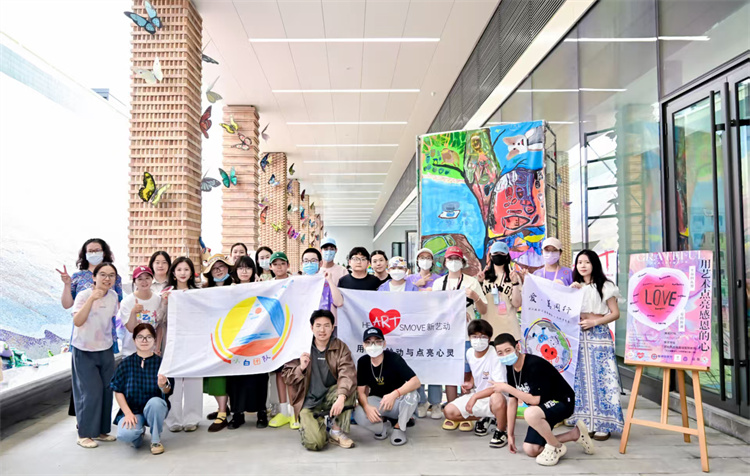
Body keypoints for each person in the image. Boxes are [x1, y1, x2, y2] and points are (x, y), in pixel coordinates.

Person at [493, 333, 593, 466]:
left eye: (508, 350)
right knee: (531, 449)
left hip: (561, 401)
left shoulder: (534, 365)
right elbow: (512, 401)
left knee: (530, 413)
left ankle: (557, 447)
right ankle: (575, 434)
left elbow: (534, 400)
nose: (505, 355)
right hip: (542, 408)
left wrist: (507, 388)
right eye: (500, 353)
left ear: (517, 347)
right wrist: (510, 434)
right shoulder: (510, 367)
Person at [58, 238, 124, 417]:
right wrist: (67, 284)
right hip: (83, 335)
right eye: (91, 250)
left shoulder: (114, 277)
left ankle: (99, 422)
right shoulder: (77, 277)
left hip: (105, 335)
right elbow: (67, 304)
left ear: (105, 252)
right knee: (85, 383)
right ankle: (84, 421)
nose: (94, 253)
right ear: (84, 254)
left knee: (103, 382)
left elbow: (117, 304)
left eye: (98, 250)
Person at [282, 310, 357, 451]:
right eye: (318, 325)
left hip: (330, 396)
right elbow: (287, 377)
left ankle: (336, 431)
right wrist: (301, 368)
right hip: (308, 402)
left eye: (326, 325)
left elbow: (348, 374)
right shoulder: (301, 346)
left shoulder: (340, 347)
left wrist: (341, 397)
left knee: (348, 389)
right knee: (315, 444)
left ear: (333, 327)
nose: (322, 330)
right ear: (312, 328)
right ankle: (316, 427)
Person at [569, 250, 624, 441]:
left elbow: (615, 313)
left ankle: (604, 424)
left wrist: (595, 322)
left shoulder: (606, 286)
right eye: (579, 262)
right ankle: (586, 423)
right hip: (579, 336)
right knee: (582, 380)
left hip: (599, 335)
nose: (582, 266)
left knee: (603, 378)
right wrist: (571, 293)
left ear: (594, 264)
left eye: (587, 262)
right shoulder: (575, 287)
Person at [431, 246, 487, 429]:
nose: (453, 262)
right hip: (446, 335)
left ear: (462, 262)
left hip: (466, 336)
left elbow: (484, 310)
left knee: (466, 374)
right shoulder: (439, 284)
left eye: (456, 259)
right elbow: (433, 310)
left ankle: (467, 412)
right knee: (450, 374)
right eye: (450, 259)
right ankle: (452, 411)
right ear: (445, 262)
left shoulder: (471, 282)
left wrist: (475, 297)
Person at [70, 262, 119, 448]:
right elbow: (78, 321)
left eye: (111, 275)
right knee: (90, 392)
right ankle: (84, 434)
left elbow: (112, 320)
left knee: (107, 390)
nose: (107, 278)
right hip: (84, 350)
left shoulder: (113, 296)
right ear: (94, 277)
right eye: (103, 274)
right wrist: (91, 299)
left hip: (105, 348)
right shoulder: (83, 295)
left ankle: (101, 431)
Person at [443, 319, 508, 447]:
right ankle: (486, 417)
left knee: (497, 398)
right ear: (469, 338)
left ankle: (501, 431)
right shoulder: (469, 353)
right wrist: (470, 383)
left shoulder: (495, 355)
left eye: (483, 337)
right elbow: (477, 371)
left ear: (489, 338)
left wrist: (475, 397)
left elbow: (498, 386)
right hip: (479, 395)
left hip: (497, 396)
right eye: (475, 336)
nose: (478, 340)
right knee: (449, 411)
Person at [110, 323, 173, 455]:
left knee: (156, 402)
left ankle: (155, 440)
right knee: (125, 435)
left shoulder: (162, 363)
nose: (144, 340)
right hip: (133, 411)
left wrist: (163, 385)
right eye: (140, 337)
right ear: (134, 340)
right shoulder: (126, 363)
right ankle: (138, 434)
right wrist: (127, 413)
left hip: (154, 409)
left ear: (154, 340)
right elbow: (118, 390)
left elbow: (168, 391)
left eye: (149, 337)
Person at [353, 327, 421, 446]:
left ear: (384, 344)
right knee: (359, 413)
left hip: (398, 402)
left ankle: (399, 427)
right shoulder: (363, 362)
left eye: (377, 342)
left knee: (413, 395)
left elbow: (415, 382)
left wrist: (394, 394)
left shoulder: (394, 358)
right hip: (379, 403)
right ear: (363, 345)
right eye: (369, 342)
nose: (373, 346)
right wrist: (367, 407)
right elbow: (361, 391)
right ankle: (382, 425)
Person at [226, 255, 269, 430]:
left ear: (253, 270)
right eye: (240, 268)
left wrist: (262, 287)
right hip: (236, 340)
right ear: (235, 271)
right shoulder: (229, 290)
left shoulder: (262, 288)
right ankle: (237, 414)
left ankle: (261, 413)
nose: (244, 271)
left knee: (259, 376)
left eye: (248, 267)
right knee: (236, 377)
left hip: (258, 339)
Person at [163, 257, 202, 433]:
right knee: (174, 381)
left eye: (186, 269)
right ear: (173, 272)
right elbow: (160, 319)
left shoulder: (198, 293)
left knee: (194, 380)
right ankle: (173, 419)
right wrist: (164, 302)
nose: (183, 273)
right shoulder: (167, 293)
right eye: (179, 269)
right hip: (173, 342)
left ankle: (192, 418)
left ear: (191, 272)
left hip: (194, 341)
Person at [406, 248, 443, 418]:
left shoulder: (439, 280)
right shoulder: (409, 279)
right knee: (418, 364)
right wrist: (416, 286)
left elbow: (444, 300)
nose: (425, 260)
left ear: (433, 261)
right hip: (414, 327)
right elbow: (402, 300)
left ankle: (436, 403)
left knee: (434, 363)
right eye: (422, 257)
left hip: (434, 327)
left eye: (428, 257)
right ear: (417, 260)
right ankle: (421, 401)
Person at [202, 254, 235, 432]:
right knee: (214, 373)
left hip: (232, 337)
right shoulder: (205, 291)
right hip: (212, 338)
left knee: (224, 375)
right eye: (215, 268)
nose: (219, 270)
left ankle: (223, 412)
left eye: (221, 266)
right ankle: (222, 407)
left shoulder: (236, 288)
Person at [266, 251, 299, 429]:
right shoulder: (267, 286)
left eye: (282, 263)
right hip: (274, 335)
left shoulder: (295, 283)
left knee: (291, 372)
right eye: (275, 264)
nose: (279, 267)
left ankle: (294, 413)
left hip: (292, 333)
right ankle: (283, 412)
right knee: (279, 373)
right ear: (270, 267)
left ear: (288, 265)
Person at [478, 241, 522, 340]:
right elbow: (478, 304)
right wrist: (479, 283)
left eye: (502, 253)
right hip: (488, 331)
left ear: (506, 256)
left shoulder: (513, 277)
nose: (498, 256)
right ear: (491, 256)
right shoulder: (483, 277)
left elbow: (517, 303)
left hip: (509, 331)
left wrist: (515, 283)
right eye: (496, 253)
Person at [118, 266, 163, 357]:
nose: (144, 282)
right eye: (140, 279)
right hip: (131, 352)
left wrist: (157, 348)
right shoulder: (127, 302)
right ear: (134, 282)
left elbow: (160, 326)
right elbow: (131, 329)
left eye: (147, 278)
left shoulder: (158, 300)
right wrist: (133, 312)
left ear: (152, 279)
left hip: (151, 351)